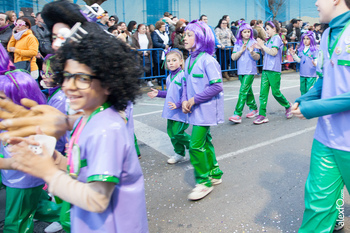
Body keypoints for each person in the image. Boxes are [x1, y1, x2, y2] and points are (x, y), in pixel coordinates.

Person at [8, 28, 149, 233]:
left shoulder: (106, 129)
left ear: (109, 82)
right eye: (66, 76)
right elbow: (82, 170)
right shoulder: (89, 118)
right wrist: (50, 157)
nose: (68, 86)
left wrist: (47, 173)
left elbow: (97, 199)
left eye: (82, 78)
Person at [290, 0, 350, 231]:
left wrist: (314, 108)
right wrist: (305, 99)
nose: (315, 2)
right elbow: (325, 78)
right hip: (326, 138)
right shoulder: (325, 36)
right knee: (317, 206)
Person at [0, 44, 60, 233]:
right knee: (41, 208)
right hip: (24, 180)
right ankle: (75, 215)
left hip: (21, 181)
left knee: (16, 222)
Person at [182, 20, 224, 201]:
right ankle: (215, 172)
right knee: (205, 142)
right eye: (184, 35)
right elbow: (185, 83)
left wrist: (194, 99)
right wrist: (184, 100)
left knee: (195, 144)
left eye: (189, 35)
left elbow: (217, 87)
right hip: (194, 109)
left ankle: (203, 182)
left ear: (200, 39)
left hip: (206, 110)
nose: (185, 38)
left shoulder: (208, 60)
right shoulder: (189, 60)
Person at [147, 49, 190, 164]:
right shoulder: (169, 77)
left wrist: (178, 104)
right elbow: (169, 93)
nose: (170, 63)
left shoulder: (183, 76)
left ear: (181, 61)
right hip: (170, 111)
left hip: (180, 111)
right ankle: (179, 153)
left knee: (178, 133)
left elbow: (186, 94)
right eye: (168, 61)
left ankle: (195, 146)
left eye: (174, 60)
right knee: (172, 133)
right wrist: (159, 93)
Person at [253, 20, 293, 124]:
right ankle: (262, 114)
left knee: (276, 93)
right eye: (265, 29)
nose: (266, 31)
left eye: (267, 29)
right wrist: (261, 48)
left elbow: (273, 52)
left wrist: (263, 46)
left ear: (274, 28)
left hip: (274, 70)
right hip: (266, 69)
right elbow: (266, 53)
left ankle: (288, 106)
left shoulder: (277, 39)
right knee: (263, 93)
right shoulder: (269, 40)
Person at [228, 23, 260, 124]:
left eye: (248, 31)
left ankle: (237, 113)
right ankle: (254, 108)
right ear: (241, 33)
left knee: (243, 91)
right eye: (244, 32)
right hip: (241, 70)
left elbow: (258, 57)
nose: (247, 34)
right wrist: (241, 51)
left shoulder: (254, 42)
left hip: (250, 70)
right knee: (247, 90)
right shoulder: (238, 43)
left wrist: (252, 52)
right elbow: (233, 57)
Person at [288, 31, 318, 95]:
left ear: (312, 39)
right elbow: (299, 60)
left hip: (311, 74)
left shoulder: (314, 50)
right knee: (302, 91)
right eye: (304, 39)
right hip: (302, 74)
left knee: (310, 92)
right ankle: (303, 103)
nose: (305, 40)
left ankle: (309, 104)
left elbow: (316, 60)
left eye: (307, 39)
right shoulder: (301, 50)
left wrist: (316, 64)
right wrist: (293, 55)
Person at [151, 20, 170, 85]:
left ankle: (164, 79)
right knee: (159, 66)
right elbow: (155, 42)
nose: (164, 27)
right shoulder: (155, 33)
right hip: (159, 52)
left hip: (165, 51)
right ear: (159, 27)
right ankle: (159, 80)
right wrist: (164, 46)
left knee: (164, 66)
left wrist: (168, 45)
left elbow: (169, 41)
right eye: (163, 26)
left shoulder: (166, 33)